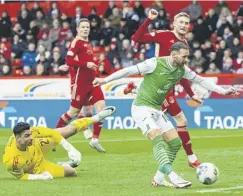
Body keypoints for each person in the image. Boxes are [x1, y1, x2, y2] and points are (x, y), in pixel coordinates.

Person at [92, 42, 237, 188]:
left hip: (156, 109)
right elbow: (128, 71)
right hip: (141, 108)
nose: (186, 59)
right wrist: (104, 80)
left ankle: (159, 177)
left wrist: (223, 91)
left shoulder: (182, 70)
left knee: (175, 144)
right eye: (184, 56)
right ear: (173, 55)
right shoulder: (154, 64)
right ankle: (173, 176)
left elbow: (200, 80)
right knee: (157, 138)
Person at [131, 9, 202, 168]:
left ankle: (170, 165)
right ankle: (190, 158)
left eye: (186, 23)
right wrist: (149, 20)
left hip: (168, 89)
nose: (184, 25)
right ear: (174, 23)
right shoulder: (163, 35)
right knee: (180, 121)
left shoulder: (184, 45)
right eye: (181, 22)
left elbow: (181, 73)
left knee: (176, 125)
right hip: (157, 87)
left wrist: (191, 94)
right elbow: (136, 38)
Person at [3, 106, 116, 180]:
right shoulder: (12, 160)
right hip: (38, 167)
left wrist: (70, 149)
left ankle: (96, 118)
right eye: (27, 136)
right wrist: (40, 177)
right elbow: (21, 177)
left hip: (37, 146)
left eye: (30, 134)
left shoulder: (31, 135)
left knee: (68, 130)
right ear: (18, 138)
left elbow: (52, 133)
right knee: (72, 173)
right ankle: (66, 164)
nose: (31, 137)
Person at [56, 18, 106, 152]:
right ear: (78, 29)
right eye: (83, 27)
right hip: (81, 84)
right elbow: (68, 60)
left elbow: (86, 61)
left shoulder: (87, 43)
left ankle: (95, 139)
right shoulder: (76, 42)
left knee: (101, 109)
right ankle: (55, 136)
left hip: (93, 82)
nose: (85, 29)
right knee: (73, 112)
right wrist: (86, 64)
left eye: (87, 27)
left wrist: (94, 68)